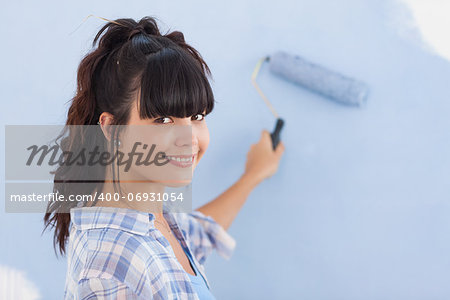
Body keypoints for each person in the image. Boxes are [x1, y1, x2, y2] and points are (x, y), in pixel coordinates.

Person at [43, 16, 285, 299]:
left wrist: (253, 175)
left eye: (196, 117)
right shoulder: (110, 273)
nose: (188, 139)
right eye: (163, 119)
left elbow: (197, 233)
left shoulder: (150, 217)